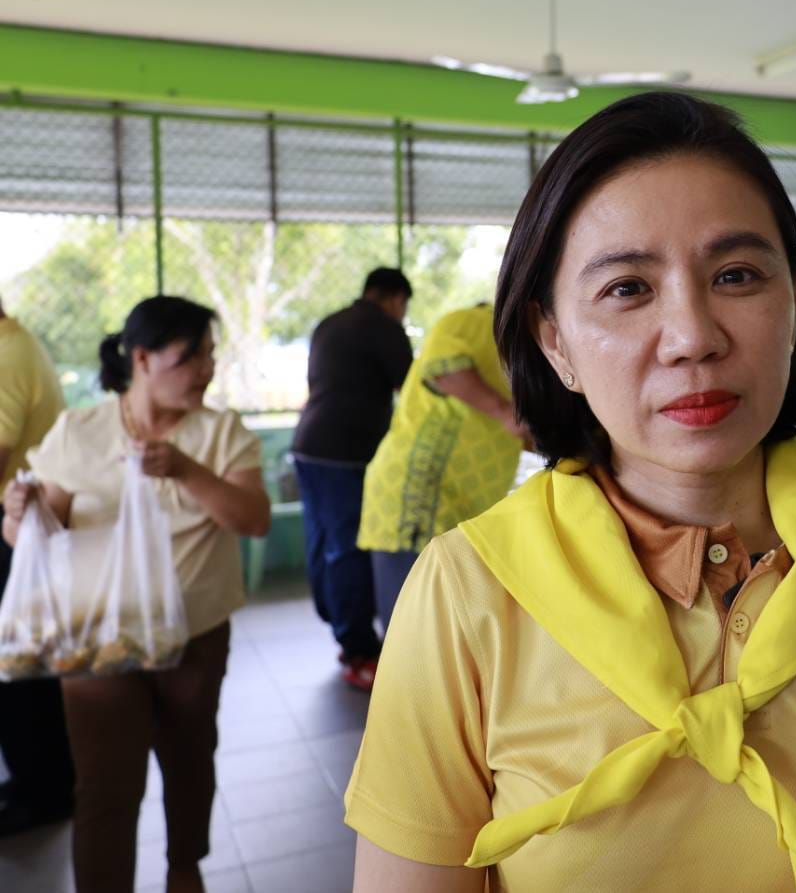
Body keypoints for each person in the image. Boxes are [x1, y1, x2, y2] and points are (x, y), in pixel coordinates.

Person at [344, 93, 796, 892]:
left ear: (794, 300)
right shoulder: (466, 592)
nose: (693, 336)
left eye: (735, 275)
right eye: (627, 288)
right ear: (554, 340)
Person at [2, 296, 270, 893]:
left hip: (194, 637)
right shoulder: (81, 431)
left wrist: (185, 470)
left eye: (210, 356)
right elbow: (36, 532)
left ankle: (184, 869)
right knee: (104, 785)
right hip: (97, 638)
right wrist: (21, 512)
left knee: (190, 761)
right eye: (191, 357)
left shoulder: (220, 433)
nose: (206, 370)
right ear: (142, 359)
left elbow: (253, 519)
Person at [356, 302, 526, 630]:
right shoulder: (468, 322)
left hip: (465, 501)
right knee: (410, 627)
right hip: (420, 491)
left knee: (450, 629)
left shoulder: (526, 349)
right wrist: (506, 413)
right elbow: (445, 369)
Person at [291, 267, 415, 691]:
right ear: (395, 299)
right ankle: (359, 648)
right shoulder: (384, 327)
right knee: (349, 548)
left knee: (323, 541)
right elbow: (412, 388)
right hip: (346, 452)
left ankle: (339, 626)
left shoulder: (330, 323)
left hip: (308, 444)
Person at [0, 294, 75, 837]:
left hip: (16, 528)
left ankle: (43, 790)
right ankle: (37, 781)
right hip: (18, 526)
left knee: (20, 668)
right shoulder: (15, 344)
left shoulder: (8, 355)